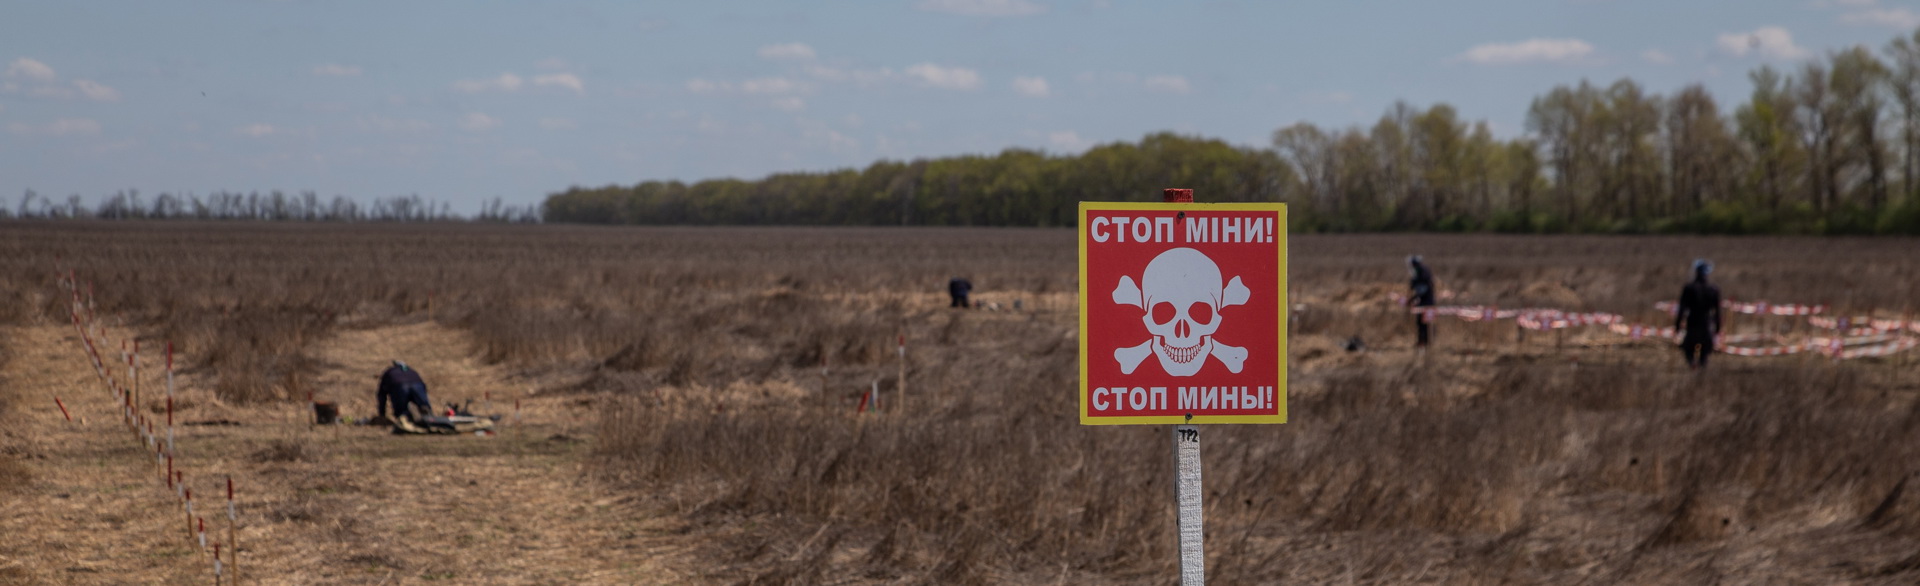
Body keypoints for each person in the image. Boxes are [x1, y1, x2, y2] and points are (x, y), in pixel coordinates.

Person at [1675, 259, 1722, 370]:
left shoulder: (1689, 288)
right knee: (1704, 352)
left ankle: (1692, 365)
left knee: (1688, 348)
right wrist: (1718, 327)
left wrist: (1677, 325)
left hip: (1693, 322)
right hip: (1707, 323)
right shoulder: (1713, 289)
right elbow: (1717, 311)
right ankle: (1701, 369)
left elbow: (1682, 309)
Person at [1407, 255, 1436, 347]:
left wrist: (1413, 298)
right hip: (1424, 300)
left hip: (1426, 301)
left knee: (1424, 322)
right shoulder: (1421, 271)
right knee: (1422, 322)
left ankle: (1425, 341)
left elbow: (1423, 288)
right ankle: (1423, 341)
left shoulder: (1422, 271)